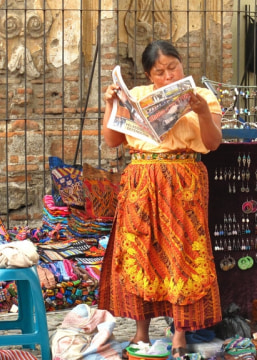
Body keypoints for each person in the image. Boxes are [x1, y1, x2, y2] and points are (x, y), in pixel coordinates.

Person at [100, 40, 223, 360]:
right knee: (140, 251)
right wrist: (110, 105)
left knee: (180, 252)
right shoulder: (138, 97)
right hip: (141, 181)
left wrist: (200, 113)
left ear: (182, 65)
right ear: (148, 75)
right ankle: (141, 333)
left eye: (173, 68)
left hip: (183, 180)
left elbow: (212, 143)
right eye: (160, 72)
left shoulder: (204, 97)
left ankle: (180, 332)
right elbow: (112, 141)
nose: (168, 75)